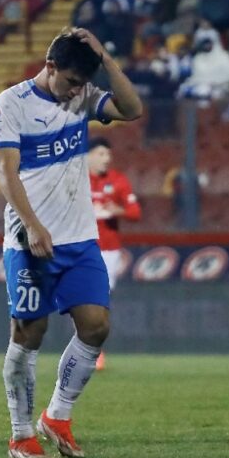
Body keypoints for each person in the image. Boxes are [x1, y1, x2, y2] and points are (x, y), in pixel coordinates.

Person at [0, 28, 142, 458]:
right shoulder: (11, 104)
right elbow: (5, 172)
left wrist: (106, 58)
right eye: (72, 81)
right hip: (29, 239)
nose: (77, 90)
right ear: (50, 66)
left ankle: (57, 415)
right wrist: (33, 224)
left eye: (83, 82)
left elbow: (133, 109)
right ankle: (21, 432)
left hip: (80, 239)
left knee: (96, 326)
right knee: (29, 332)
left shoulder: (81, 96)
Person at [87, 137, 141, 370]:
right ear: (87, 155)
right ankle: (90, 348)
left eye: (108, 154)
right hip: (78, 247)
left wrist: (114, 210)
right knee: (83, 301)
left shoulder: (117, 180)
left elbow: (135, 213)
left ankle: (94, 348)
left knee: (98, 302)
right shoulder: (74, 180)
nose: (106, 159)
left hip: (108, 250)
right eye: (100, 154)